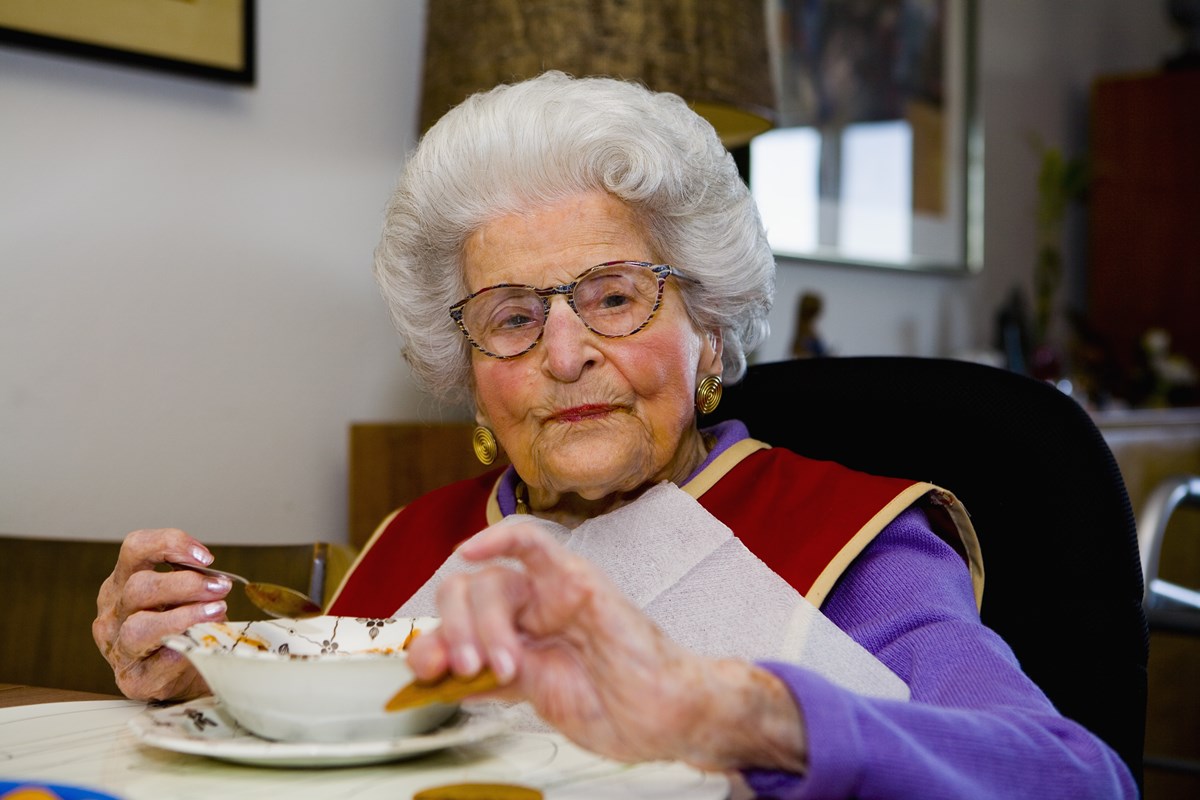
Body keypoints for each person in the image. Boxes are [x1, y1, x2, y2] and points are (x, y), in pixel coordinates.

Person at [93, 71, 1136, 798]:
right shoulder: (420, 540)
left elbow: (1081, 778)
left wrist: (744, 713)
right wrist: (208, 675)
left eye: (614, 295)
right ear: (470, 373)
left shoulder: (854, 540)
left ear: (709, 332)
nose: (562, 352)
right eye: (512, 315)